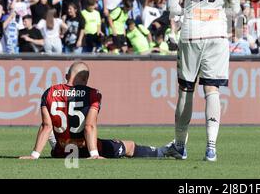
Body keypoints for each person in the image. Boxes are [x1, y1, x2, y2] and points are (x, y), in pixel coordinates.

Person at [166, 0, 240, 162]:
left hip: (191, 31)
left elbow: (172, 7)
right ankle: (211, 147)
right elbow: (235, 9)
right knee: (212, 90)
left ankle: (180, 145)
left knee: (186, 89)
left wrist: (189, 9)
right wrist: (217, 11)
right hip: (217, 32)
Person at [19, 61, 169, 159]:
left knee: (54, 129)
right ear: (86, 79)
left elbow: (46, 126)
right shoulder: (93, 94)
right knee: (128, 146)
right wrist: (94, 154)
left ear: (66, 76)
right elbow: (89, 126)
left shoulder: (50, 92)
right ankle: (163, 152)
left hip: (62, 152)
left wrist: (34, 155)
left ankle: (55, 144)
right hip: (83, 150)